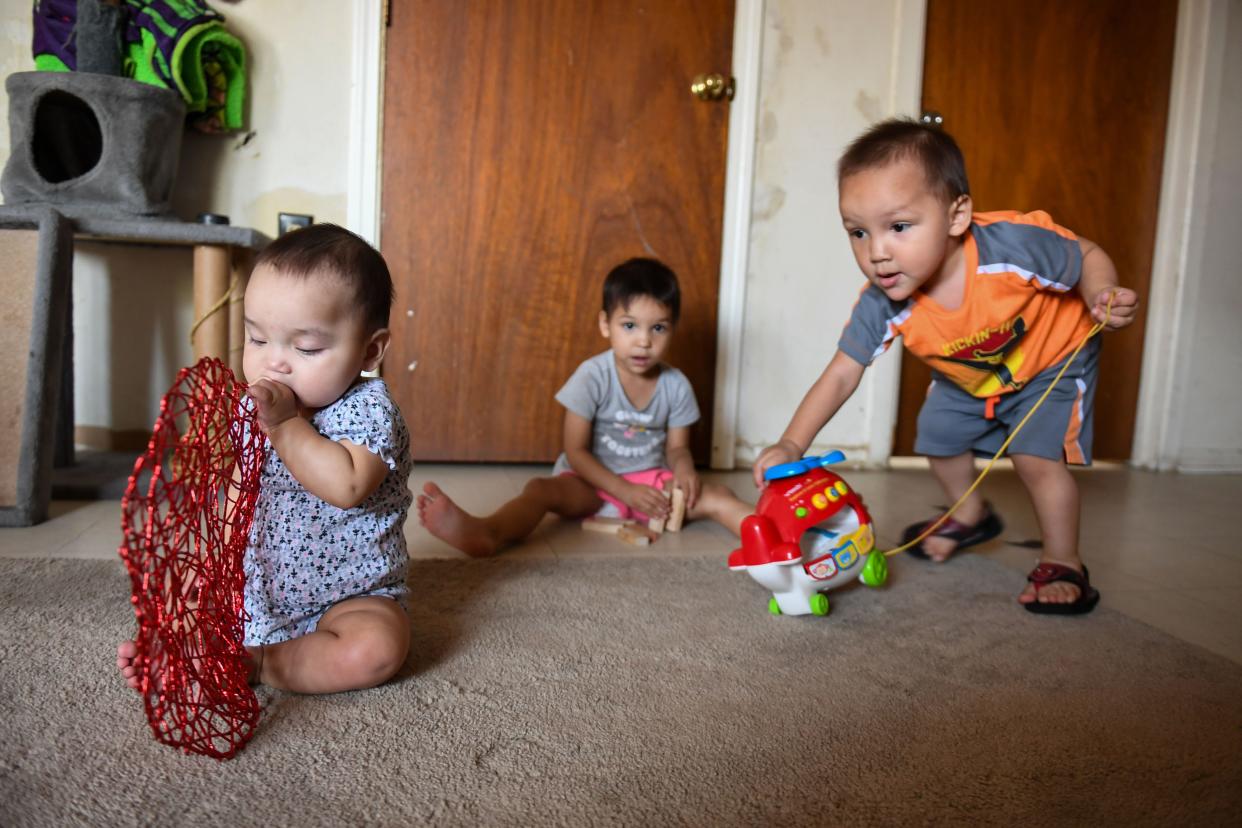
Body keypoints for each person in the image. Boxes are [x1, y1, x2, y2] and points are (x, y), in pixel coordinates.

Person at [753, 118, 1139, 615]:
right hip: (970, 377)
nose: (876, 252)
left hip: (1052, 360)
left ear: (956, 216)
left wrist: (1099, 293)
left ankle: (1063, 561)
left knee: (1035, 459)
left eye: (898, 227)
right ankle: (971, 512)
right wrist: (791, 443)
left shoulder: (1009, 249)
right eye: (857, 232)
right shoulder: (884, 302)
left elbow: (1084, 254)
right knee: (936, 436)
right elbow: (842, 372)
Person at [118, 223, 413, 694]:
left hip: (352, 594)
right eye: (257, 340)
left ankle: (260, 664)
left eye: (306, 347)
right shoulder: (249, 406)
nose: (274, 363)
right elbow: (237, 488)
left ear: (370, 350)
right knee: (190, 601)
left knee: (376, 650)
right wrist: (208, 567)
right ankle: (183, 652)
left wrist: (283, 426)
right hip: (257, 585)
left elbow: (347, 486)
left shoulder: (368, 410)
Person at [418, 257, 753, 556]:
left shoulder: (676, 384)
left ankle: (771, 536)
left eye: (659, 328)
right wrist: (623, 490)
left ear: (672, 329)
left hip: (651, 488)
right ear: (606, 324)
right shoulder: (592, 376)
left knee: (716, 495)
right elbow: (575, 451)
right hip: (591, 484)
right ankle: (488, 532)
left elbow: (678, 448)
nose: (644, 341)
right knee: (540, 491)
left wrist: (684, 471)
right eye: (630, 325)